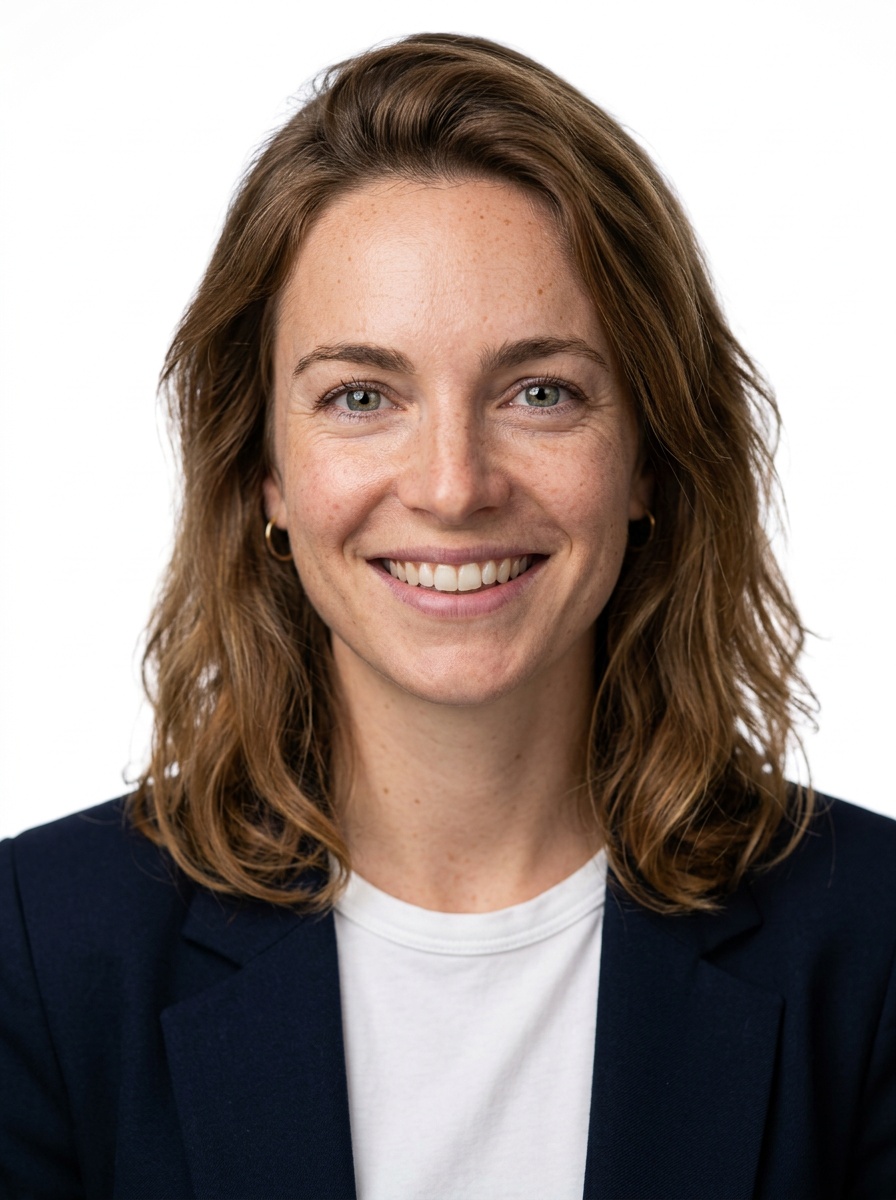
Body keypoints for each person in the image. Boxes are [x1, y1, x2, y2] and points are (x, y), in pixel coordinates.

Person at [1, 31, 893, 1200]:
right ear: (263, 471)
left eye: (540, 392)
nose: (452, 484)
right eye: (360, 396)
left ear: (648, 461)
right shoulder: (39, 953)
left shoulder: (872, 942)